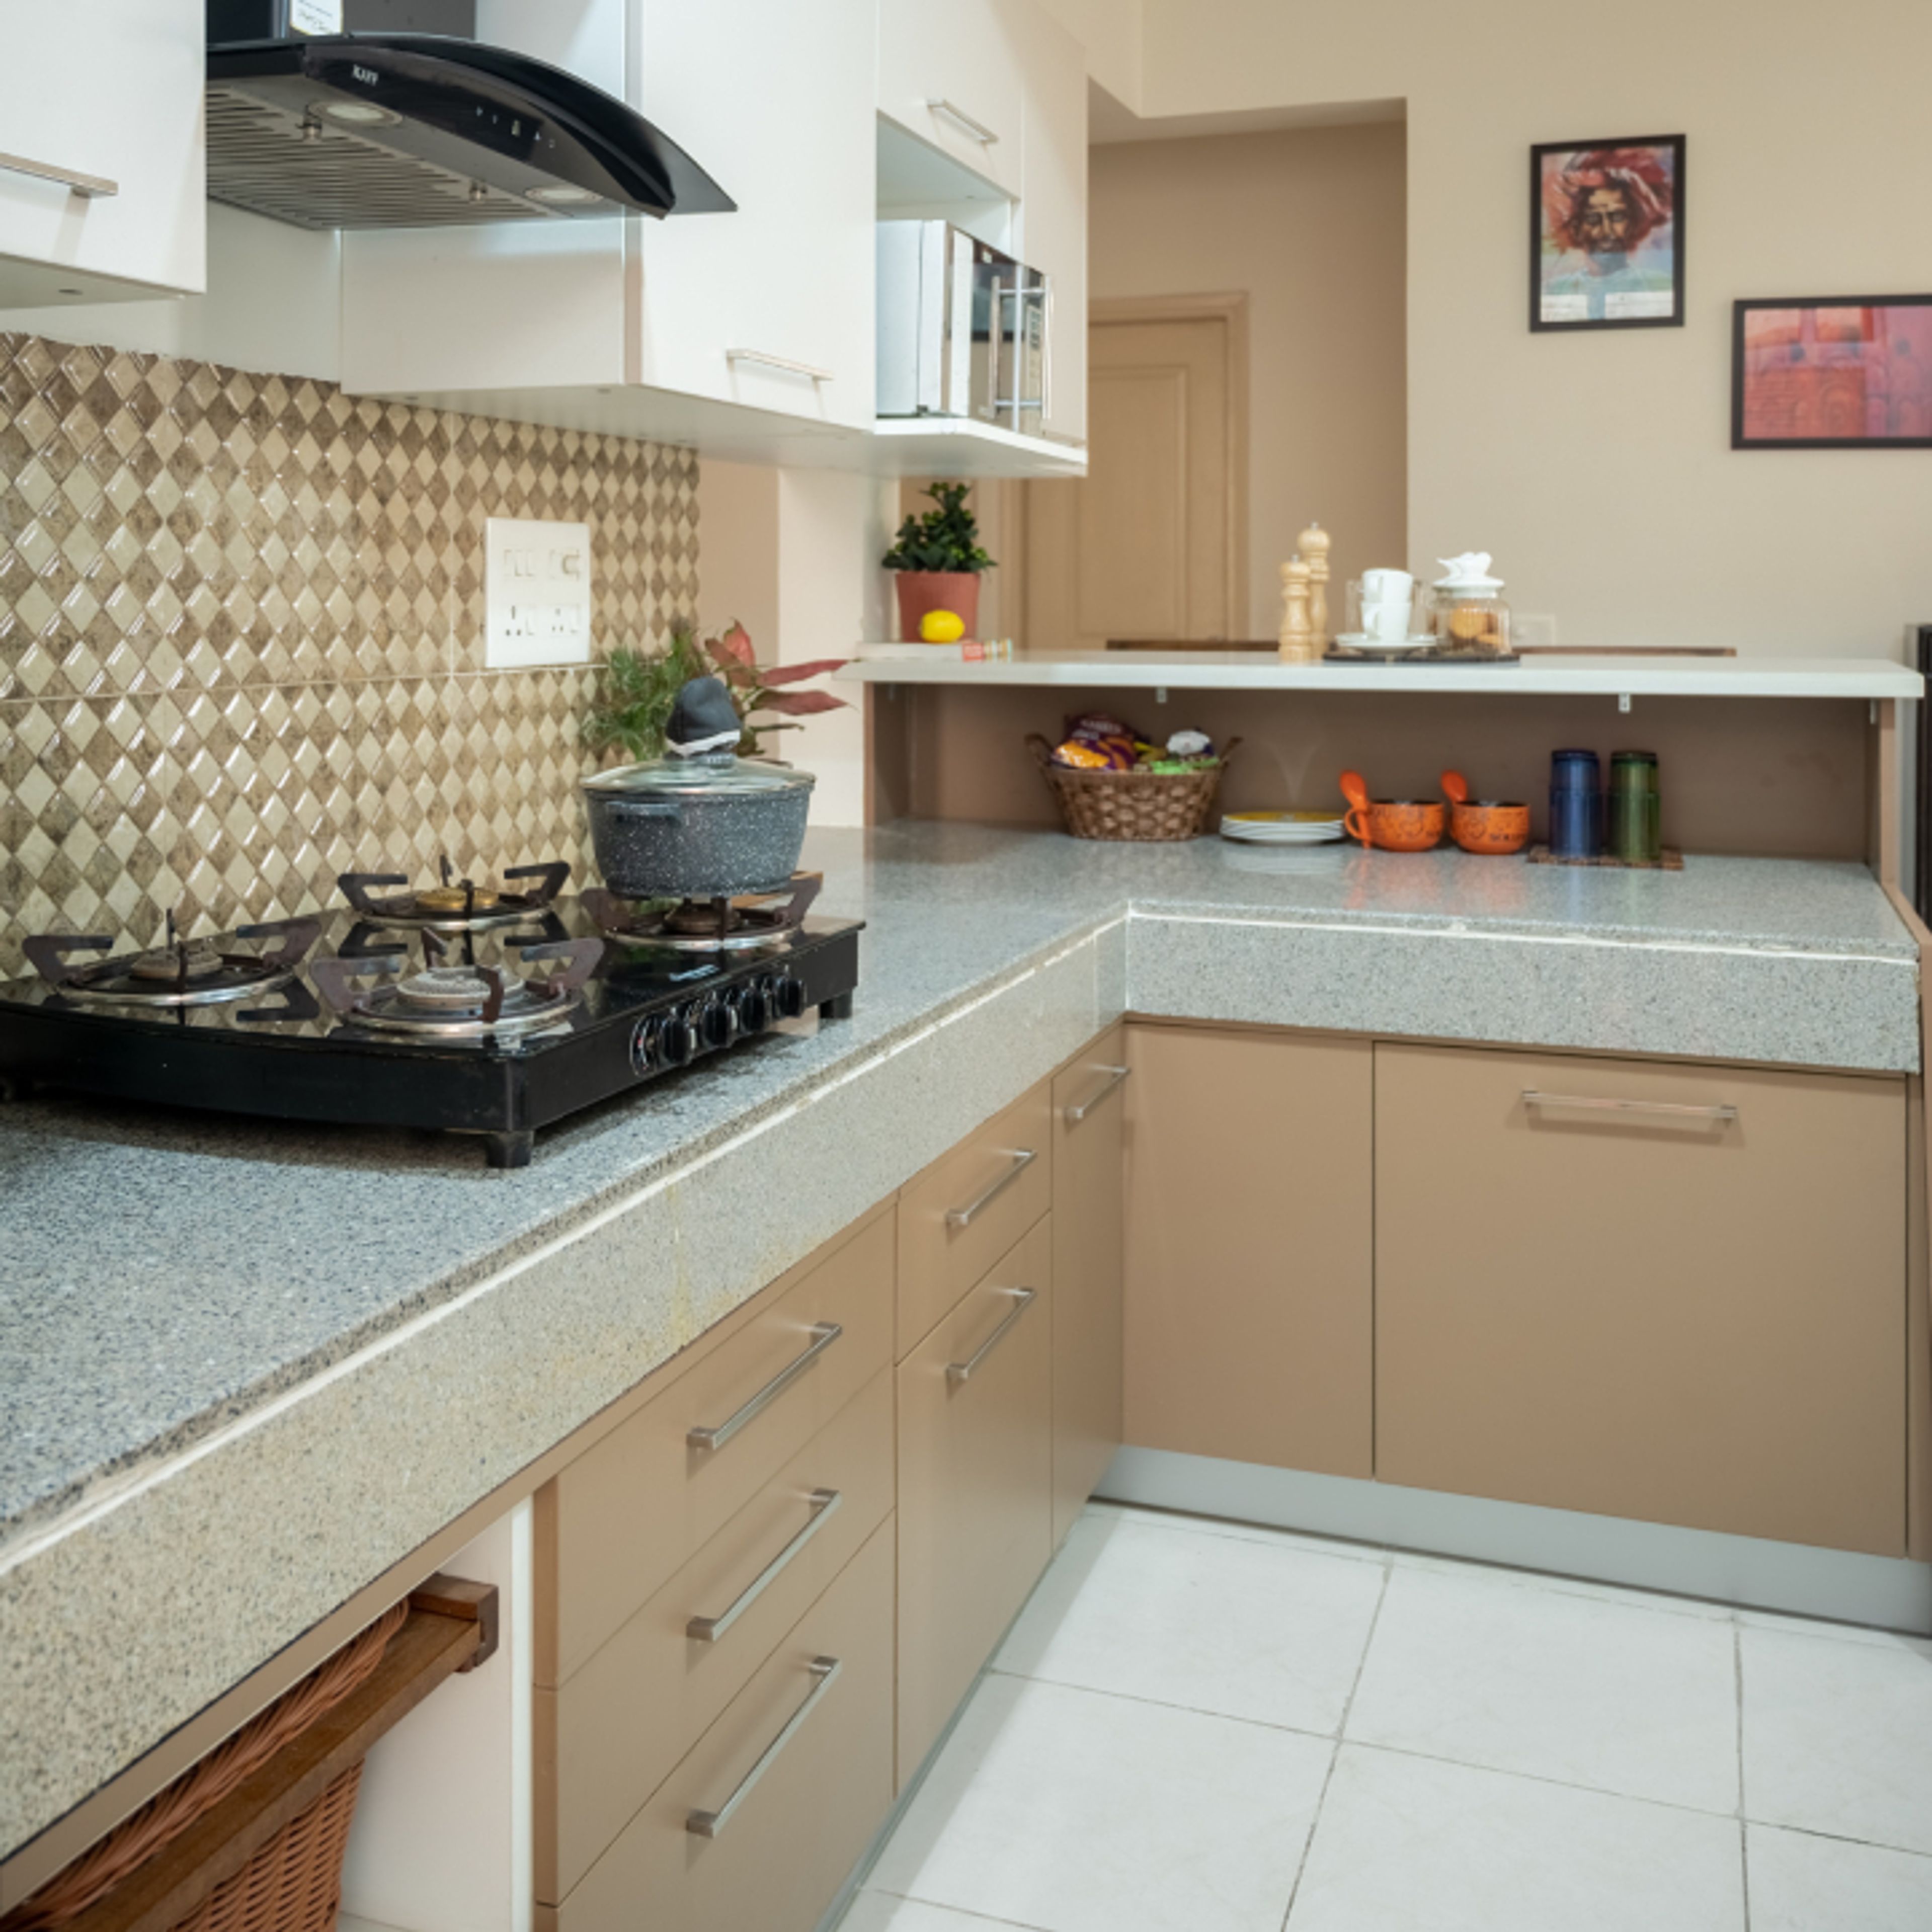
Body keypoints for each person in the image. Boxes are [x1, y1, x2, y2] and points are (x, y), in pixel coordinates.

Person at [1540, 147, 1676, 323]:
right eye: (1593, 218)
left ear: (1633, 221)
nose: (1606, 230)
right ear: (1577, 225)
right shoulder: (1555, 290)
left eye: (1617, 217)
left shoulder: (1659, 285)